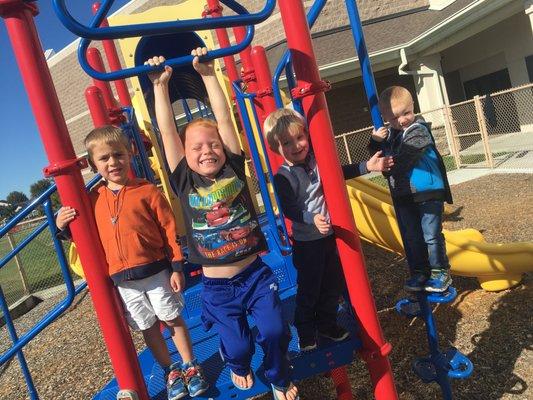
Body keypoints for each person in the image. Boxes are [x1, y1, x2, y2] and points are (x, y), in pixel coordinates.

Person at [146, 48, 299, 400]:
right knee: (238, 345)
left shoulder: (233, 167)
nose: (207, 151)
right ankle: (239, 364)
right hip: (218, 288)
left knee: (275, 330)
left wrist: (209, 74)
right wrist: (159, 86)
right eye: (197, 147)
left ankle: (278, 375)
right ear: (185, 155)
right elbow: (168, 134)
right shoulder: (184, 180)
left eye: (212, 144)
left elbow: (225, 120)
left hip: (255, 275)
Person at [55, 126, 208, 400]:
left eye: (118, 154)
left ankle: (190, 365)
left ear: (130, 154)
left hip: (156, 271)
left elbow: (168, 229)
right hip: (123, 280)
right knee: (147, 326)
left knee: (171, 319)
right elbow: (81, 233)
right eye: (104, 158)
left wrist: (175, 266)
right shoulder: (93, 199)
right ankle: (170, 370)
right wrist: (62, 226)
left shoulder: (146, 191)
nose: (113, 162)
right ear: (93, 165)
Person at [263, 108, 394, 351]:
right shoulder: (283, 176)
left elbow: (337, 173)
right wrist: (311, 218)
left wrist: (368, 166)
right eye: (286, 142)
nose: (296, 145)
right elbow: (289, 209)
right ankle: (305, 331)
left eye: (299, 138)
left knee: (332, 283)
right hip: (307, 241)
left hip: (328, 236)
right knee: (310, 287)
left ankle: (326, 323)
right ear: (276, 148)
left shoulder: (316, 160)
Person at [369, 85, 453, 292]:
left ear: (412, 106)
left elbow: (404, 159)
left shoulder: (419, 130)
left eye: (406, 113)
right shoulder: (392, 134)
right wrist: (375, 141)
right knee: (412, 237)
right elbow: (378, 156)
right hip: (405, 195)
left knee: (431, 235)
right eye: (395, 118)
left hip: (427, 191)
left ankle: (440, 272)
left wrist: (386, 168)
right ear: (387, 118)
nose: (403, 120)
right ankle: (420, 272)